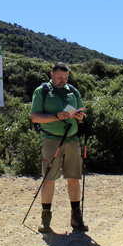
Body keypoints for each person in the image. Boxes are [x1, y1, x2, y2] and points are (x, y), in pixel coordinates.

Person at [30, 61, 88, 233]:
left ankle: (76, 218)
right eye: (60, 77)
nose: (63, 80)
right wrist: (56, 116)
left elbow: (83, 114)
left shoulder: (73, 91)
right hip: (51, 139)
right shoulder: (42, 91)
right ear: (52, 75)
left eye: (66, 78)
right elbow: (35, 117)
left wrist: (81, 116)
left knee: (74, 178)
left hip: (72, 139)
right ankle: (45, 220)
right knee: (48, 179)